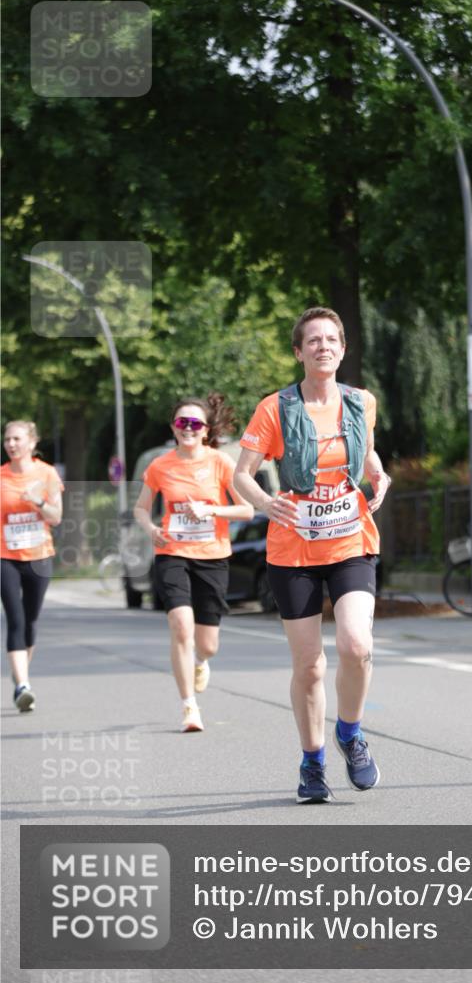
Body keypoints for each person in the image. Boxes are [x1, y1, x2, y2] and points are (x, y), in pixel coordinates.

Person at [234, 306, 391, 803]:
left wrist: (378, 474)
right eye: (313, 340)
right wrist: (264, 502)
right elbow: (242, 473)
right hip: (293, 547)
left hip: (350, 540)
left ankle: (350, 732)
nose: (324, 346)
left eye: (332, 340)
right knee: (310, 666)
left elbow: (365, 453)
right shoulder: (274, 409)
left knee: (356, 646)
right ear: (299, 352)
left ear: (342, 349)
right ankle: (313, 761)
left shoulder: (362, 401)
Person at [134, 393, 253, 733]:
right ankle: (189, 707)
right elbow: (141, 508)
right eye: (182, 422)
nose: (188, 428)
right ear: (174, 427)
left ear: (205, 429)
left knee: (208, 644)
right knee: (181, 626)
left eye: (195, 423)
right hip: (172, 552)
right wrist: (151, 528)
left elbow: (246, 509)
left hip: (213, 556)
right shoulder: (160, 466)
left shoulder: (221, 462)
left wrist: (212, 510)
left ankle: (200, 661)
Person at [1, 420, 64, 712]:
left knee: (30, 619)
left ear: (32, 443)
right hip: (6, 557)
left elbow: (56, 517)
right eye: (7, 439)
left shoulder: (46, 473)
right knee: (14, 618)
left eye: (17, 439)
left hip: (39, 556)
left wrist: (37, 500)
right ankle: (23, 685)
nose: (11, 444)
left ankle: (20, 675)